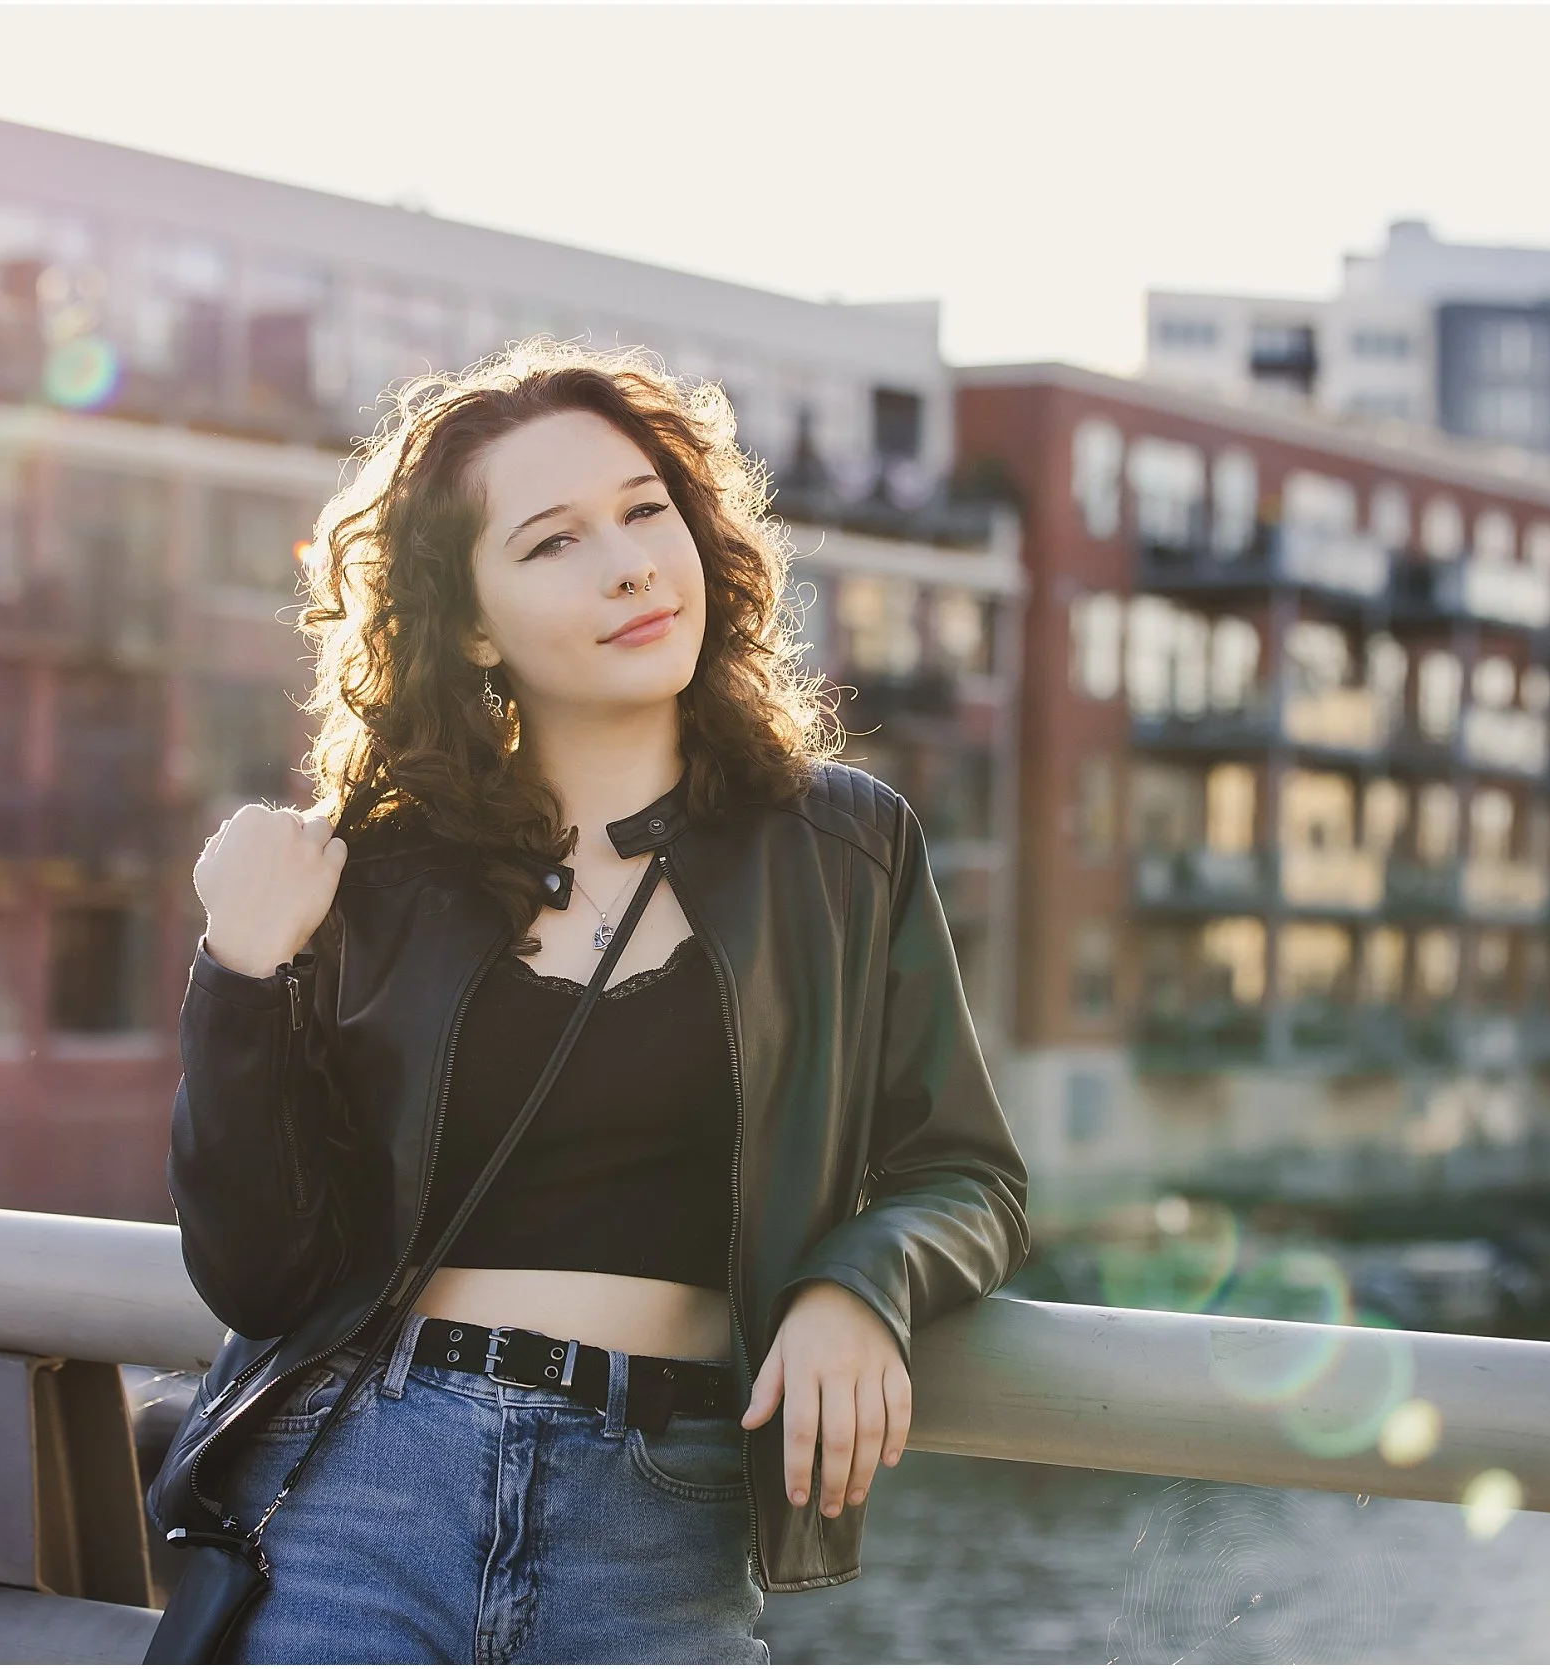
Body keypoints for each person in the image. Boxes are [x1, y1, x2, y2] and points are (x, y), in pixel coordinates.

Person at [149, 339, 1029, 1664]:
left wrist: (857, 1287)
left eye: (645, 511)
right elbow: (258, 1273)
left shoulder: (842, 848)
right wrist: (242, 974)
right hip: (364, 1496)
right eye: (553, 541)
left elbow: (968, 1176)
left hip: (662, 1518)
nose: (628, 565)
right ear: (468, 622)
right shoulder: (374, 870)